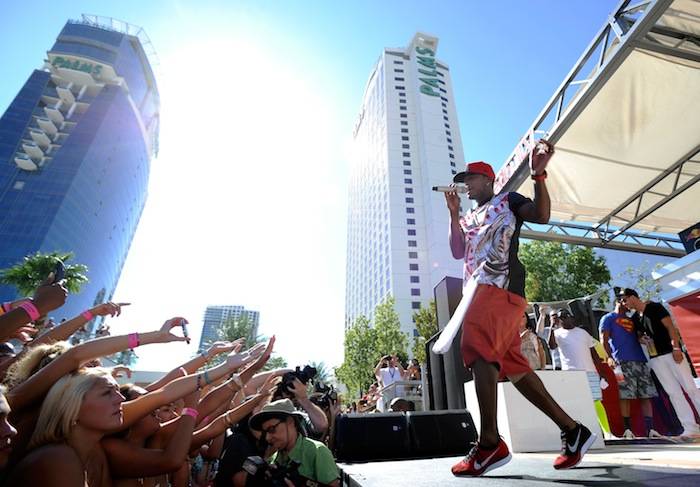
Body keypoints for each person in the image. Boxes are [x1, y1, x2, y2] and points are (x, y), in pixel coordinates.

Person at [443, 143, 595, 477]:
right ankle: (573, 430)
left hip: (500, 288)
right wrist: (453, 215)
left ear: (488, 180)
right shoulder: (468, 217)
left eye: (471, 178)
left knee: (476, 348)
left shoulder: (508, 201)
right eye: (464, 181)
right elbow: (456, 250)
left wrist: (538, 175)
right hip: (477, 291)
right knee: (514, 368)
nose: (466, 185)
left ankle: (489, 443)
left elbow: (541, 215)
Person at [619, 288, 700, 437]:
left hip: (671, 352)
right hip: (655, 358)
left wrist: (676, 347)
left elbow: (670, 327)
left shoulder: (655, 308)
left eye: (624, 300)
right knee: (673, 393)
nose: (624, 304)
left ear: (633, 297)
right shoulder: (635, 318)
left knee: (690, 388)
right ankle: (690, 427)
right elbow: (638, 336)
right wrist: (642, 339)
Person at [599, 298, 660, 438]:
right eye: (625, 301)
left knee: (646, 394)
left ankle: (650, 429)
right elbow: (603, 338)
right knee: (625, 395)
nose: (628, 305)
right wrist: (609, 357)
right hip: (620, 361)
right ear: (619, 301)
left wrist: (644, 339)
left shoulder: (632, 319)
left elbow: (638, 336)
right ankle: (627, 429)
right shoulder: (608, 318)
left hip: (640, 360)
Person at [249, 399, 340, 487]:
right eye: (265, 433)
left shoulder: (316, 452)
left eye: (272, 429)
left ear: (290, 422)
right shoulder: (273, 459)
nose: (267, 437)